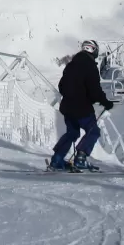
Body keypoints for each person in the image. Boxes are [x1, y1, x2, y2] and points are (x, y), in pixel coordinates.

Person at [49, 39, 115, 171]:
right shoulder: (90, 66)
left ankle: (57, 159)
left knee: (72, 133)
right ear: (94, 50)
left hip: (67, 107)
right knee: (93, 131)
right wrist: (106, 102)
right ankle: (81, 158)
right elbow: (95, 90)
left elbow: (61, 86)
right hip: (82, 107)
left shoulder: (71, 65)